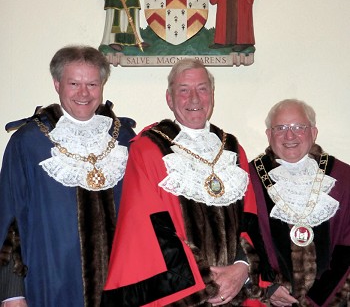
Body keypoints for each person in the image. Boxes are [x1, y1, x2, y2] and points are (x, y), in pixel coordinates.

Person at [101, 59, 262, 306]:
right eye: (184, 90)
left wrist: (241, 268)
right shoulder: (148, 149)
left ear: (212, 94)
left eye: (202, 88)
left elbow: (250, 218)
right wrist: (206, 281)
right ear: (169, 98)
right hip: (183, 295)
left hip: (235, 292)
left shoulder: (232, 148)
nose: (194, 98)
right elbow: (148, 229)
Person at [0, 45, 136, 307]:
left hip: (119, 287)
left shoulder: (125, 139)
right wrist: (11, 293)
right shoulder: (28, 142)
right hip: (49, 284)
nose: (84, 93)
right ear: (56, 84)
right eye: (74, 83)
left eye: (92, 84)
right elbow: (8, 218)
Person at [247, 99, 350, 306]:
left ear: (313, 132)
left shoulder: (344, 177)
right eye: (280, 128)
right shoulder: (249, 179)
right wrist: (267, 286)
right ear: (269, 135)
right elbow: (243, 241)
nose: (290, 136)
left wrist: (320, 298)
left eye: (298, 127)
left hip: (334, 299)